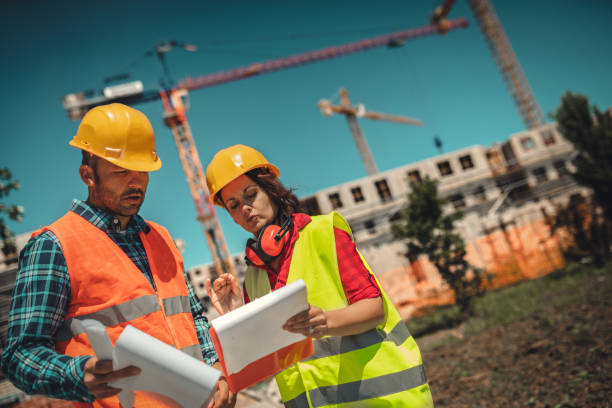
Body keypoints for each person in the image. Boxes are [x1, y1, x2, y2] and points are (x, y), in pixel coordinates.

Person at [1, 103, 235, 408]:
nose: (135, 182)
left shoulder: (161, 237)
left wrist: (216, 369)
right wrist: (77, 374)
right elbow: (21, 355)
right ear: (88, 174)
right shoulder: (54, 246)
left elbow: (193, 317)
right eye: (121, 172)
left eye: (142, 171)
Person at [204, 144, 434, 407]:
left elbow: (375, 308)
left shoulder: (323, 233)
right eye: (233, 205)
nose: (245, 208)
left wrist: (326, 321)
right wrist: (235, 315)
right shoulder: (253, 277)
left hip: (384, 399)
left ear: (270, 190)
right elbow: (262, 361)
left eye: (251, 194)